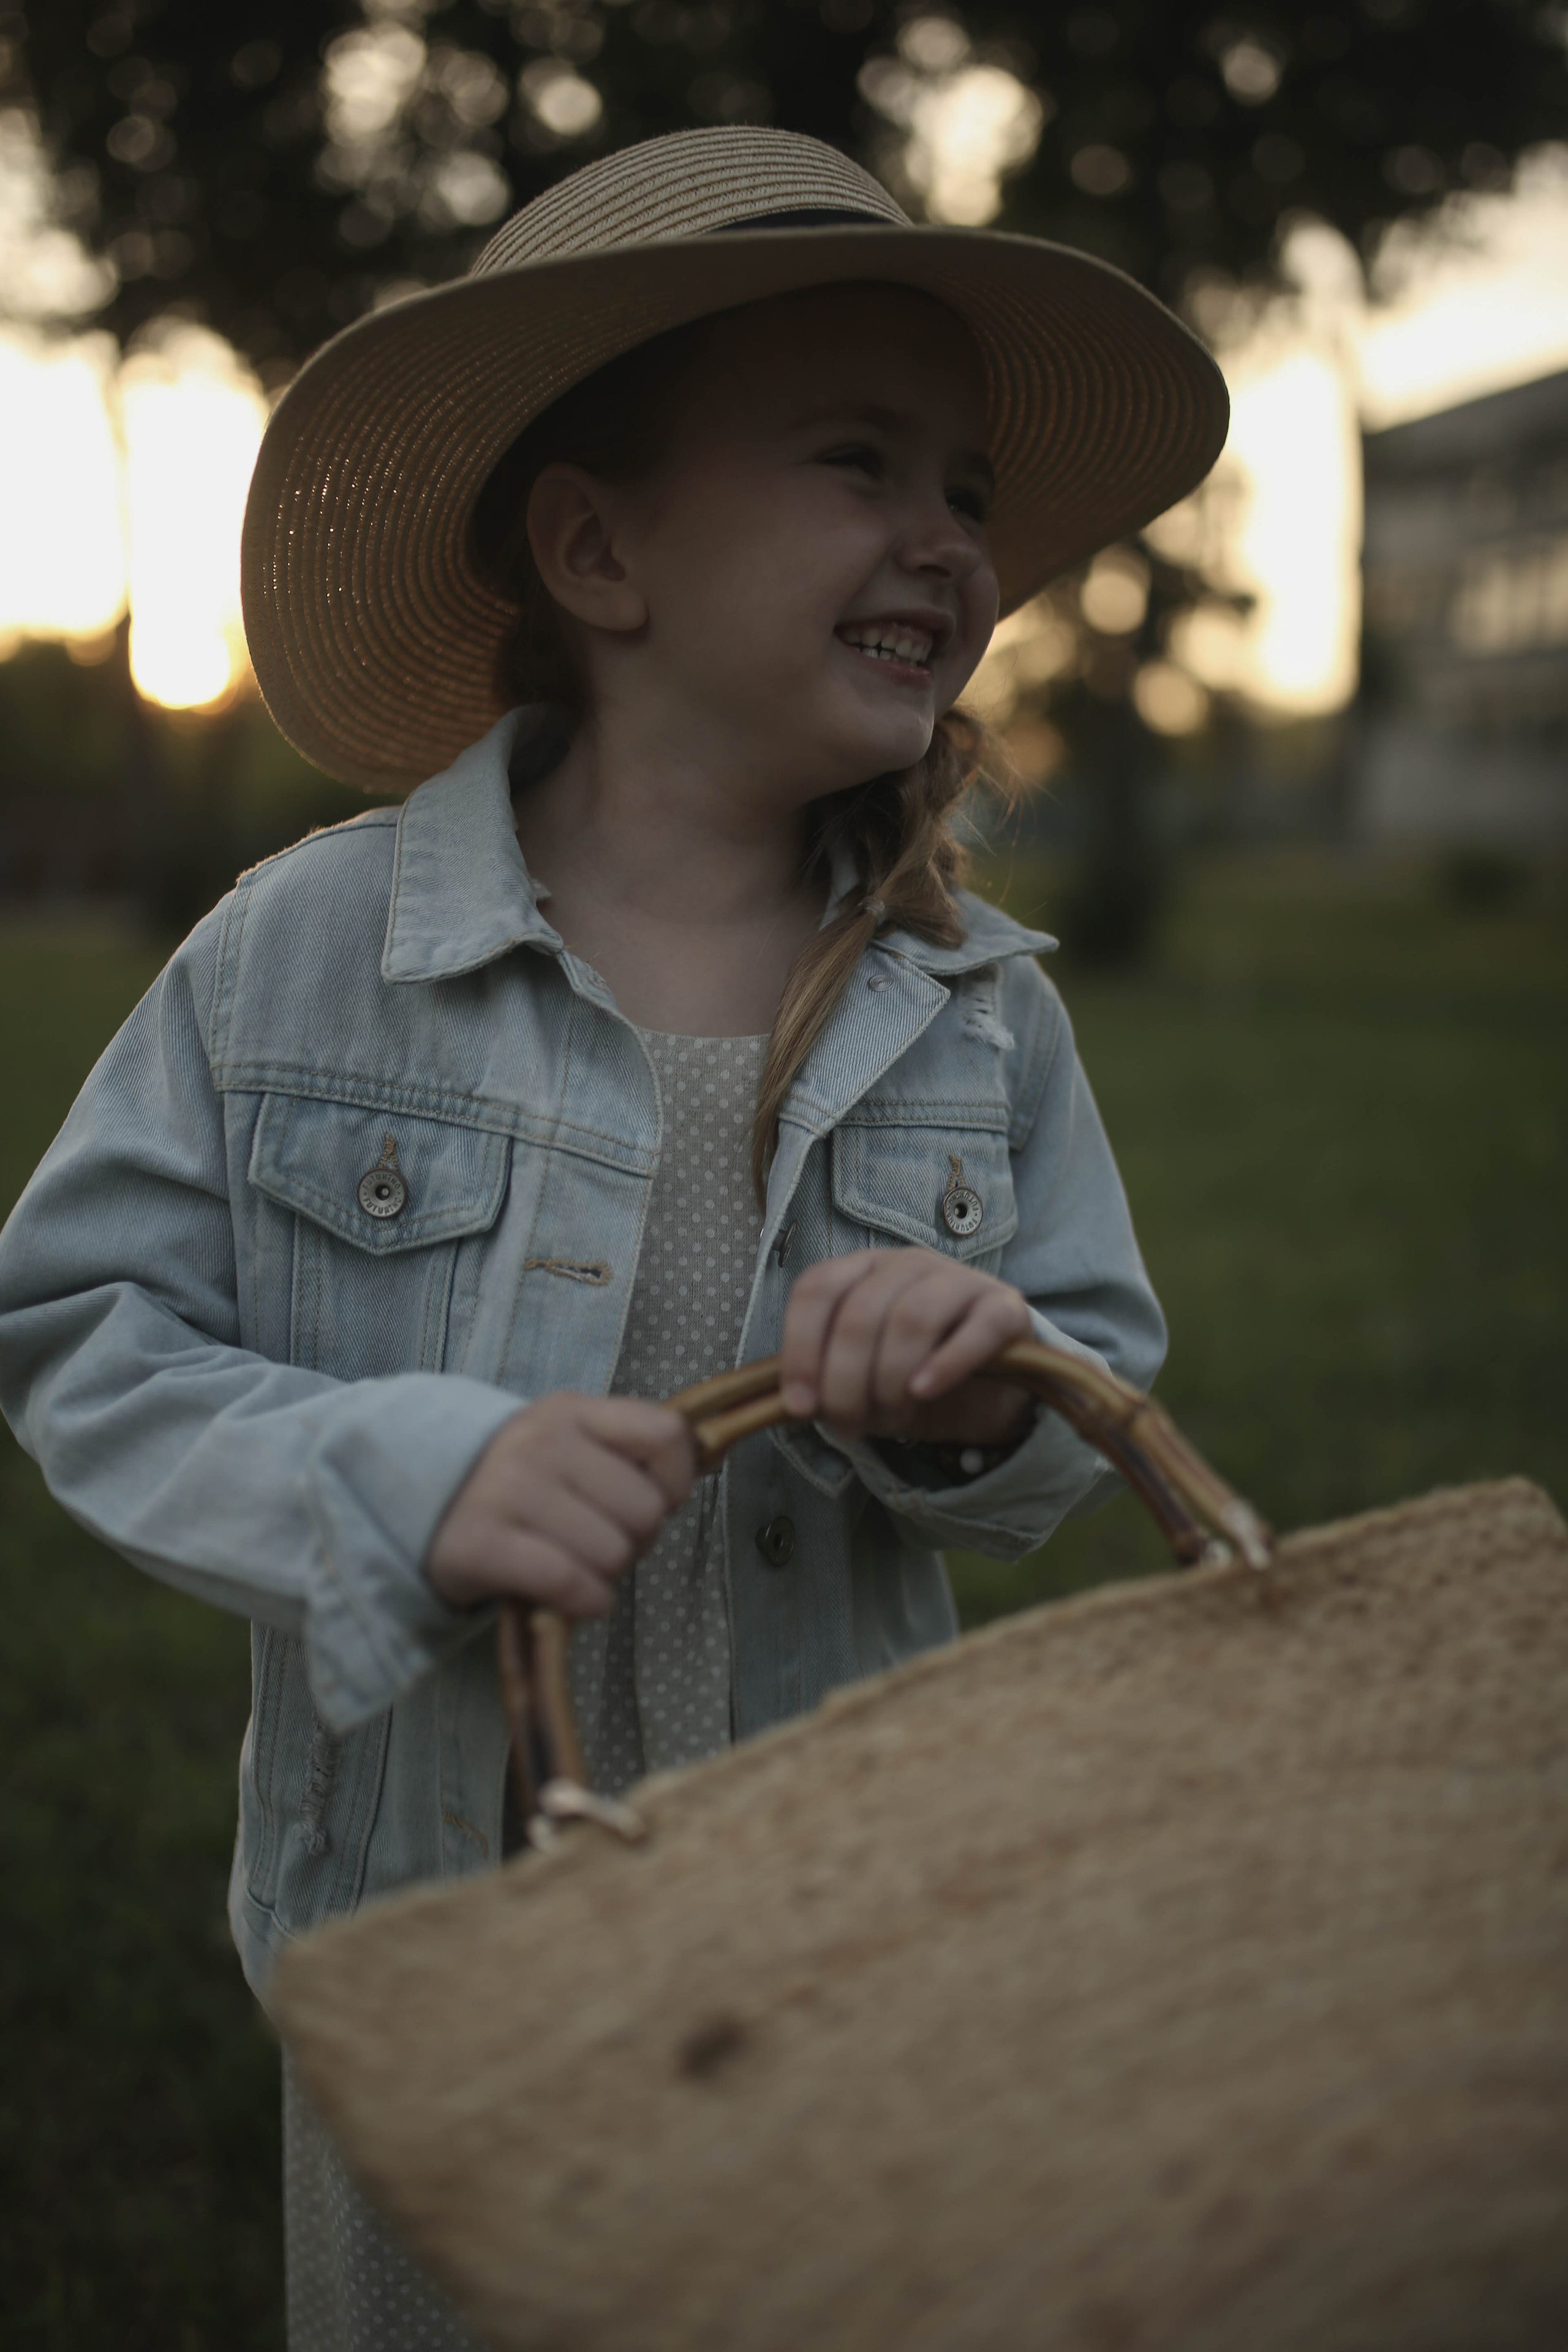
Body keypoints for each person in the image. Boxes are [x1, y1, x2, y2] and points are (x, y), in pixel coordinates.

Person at [0, 127, 1226, 2350]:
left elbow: (1089, 1362)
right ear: (599, 546)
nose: (946, 537)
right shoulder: (306, 960)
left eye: (966, 488)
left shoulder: (979, 1012)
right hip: (448, 1964)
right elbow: (83, 1330)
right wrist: (403, 1466)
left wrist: (970, 1396)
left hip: (843, 1962)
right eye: (862, 459)